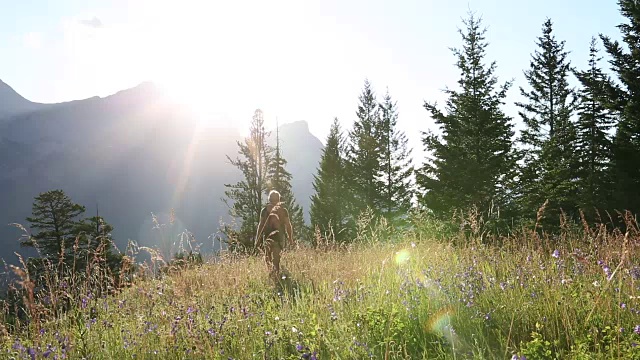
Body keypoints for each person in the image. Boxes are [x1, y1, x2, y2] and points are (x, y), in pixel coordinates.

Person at [255, 190, 293, 276]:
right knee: (276, 259)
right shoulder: (283, 210)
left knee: (267, 258)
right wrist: (290, 238)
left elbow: (261, 225)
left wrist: (257, 239)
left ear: (269, 199)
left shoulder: (264, 210)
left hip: (268, 238)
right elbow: (288, 225)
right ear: (279, 199)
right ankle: (277, 277)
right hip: (279, 238)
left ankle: (271, 275)